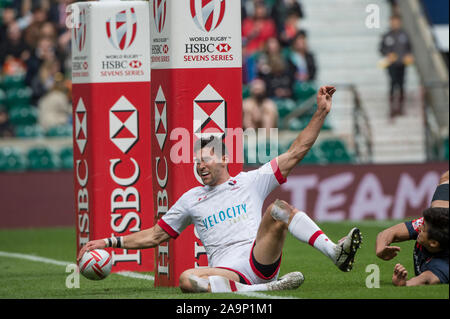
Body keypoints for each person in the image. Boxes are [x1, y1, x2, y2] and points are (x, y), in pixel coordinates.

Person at [78, 86, 363, 294]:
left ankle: (334, 252)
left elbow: (296, 151)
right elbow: (155, 235)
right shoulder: (191, 199)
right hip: (226, 271)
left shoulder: (251, 181)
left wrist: (320, 112)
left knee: (278, 209)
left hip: (258, 258)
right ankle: (263, 290)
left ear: (224, 158)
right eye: (197, 161)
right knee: (187, 279)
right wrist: (108, 242)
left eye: (207, 158)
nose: (201, 165)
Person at [375, 171, 449, 286]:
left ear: (433, 243)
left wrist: (405, 284)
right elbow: (389, 232)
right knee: (446, 178)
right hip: (445, 210)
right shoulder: (430, 225)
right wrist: (381, 249)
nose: (419, 227)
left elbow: (426, 279)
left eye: (423, 228)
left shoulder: (441, 267)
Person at [379, 14, 414, 118]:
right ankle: (392, 109)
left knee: (402, 85)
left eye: (396, 22)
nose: (395, 24)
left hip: (402, 64)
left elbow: (409, 48)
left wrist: (408, 55)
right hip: (391, 65)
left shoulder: (404, 35)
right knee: (393, 84)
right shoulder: (387, 35)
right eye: (393, 22)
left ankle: (401, 108)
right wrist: (387, 54)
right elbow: (381, 49)